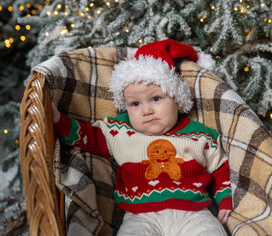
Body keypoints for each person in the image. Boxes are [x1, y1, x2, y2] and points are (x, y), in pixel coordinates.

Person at [52, 39, 233, 236]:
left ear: (177, 100)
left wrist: (225, 200)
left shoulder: (201, 135)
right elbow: (88, 137)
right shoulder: (121, 131)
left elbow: (221, 168)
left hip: (195, 213)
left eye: (156, 99)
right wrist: (58, 121)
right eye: (135, 104)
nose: (146, 110)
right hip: (140, 216)